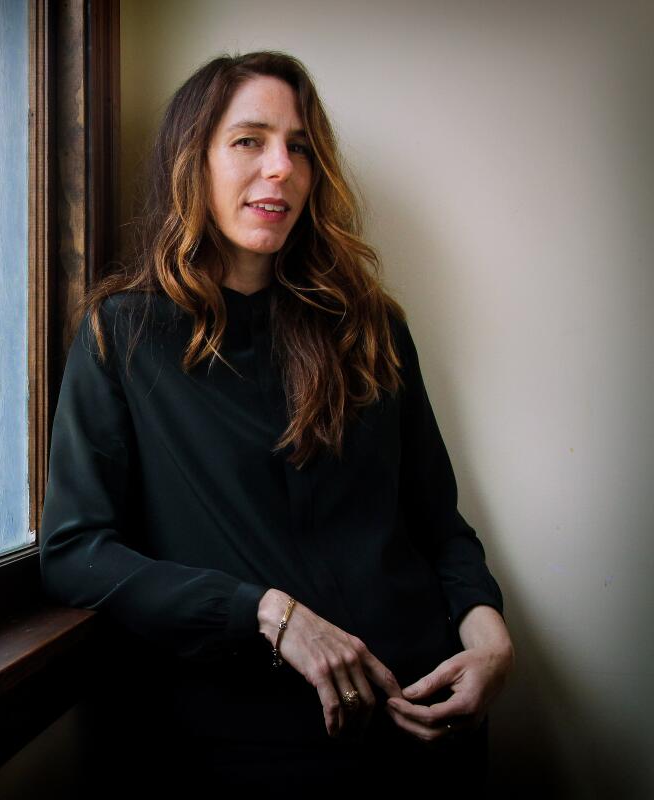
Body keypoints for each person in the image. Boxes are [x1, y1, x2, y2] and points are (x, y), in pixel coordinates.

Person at [38, 51, 514, 792]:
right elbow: (75, 551)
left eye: (299, 147)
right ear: (191, 163)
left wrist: (488, 635)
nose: (281, 168)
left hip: (424, 723)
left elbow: (436, 522)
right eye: (249, 141)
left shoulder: (371, 328)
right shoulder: (123, 335)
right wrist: (264, 613)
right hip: (244, 744)